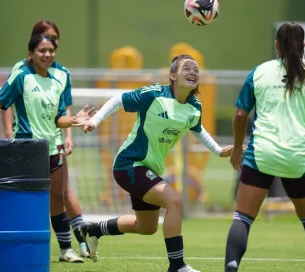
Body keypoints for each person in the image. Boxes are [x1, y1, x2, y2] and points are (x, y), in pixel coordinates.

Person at [76, 54, 233, 272]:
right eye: (186, 68)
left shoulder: (194, 107)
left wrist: (218, 150)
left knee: (146, 227)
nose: (193, 72)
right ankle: (177, 266)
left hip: (149, 169)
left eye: (196, 70)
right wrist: (94, 121)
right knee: (175, 201)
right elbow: (117, 100)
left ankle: (93, 230)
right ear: (172, 75)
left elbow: (198, 129)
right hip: (129, 164)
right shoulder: (155, 94)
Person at [224, 22, 305, 272]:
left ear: (276, 45)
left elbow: (239, 115)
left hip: (261, 155)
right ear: (303, 46)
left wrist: (237, 148)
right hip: (297, 158)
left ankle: (231, 266)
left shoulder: (260, 72)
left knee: (243, 218)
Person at [0, 34, 95, 263]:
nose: (48, 54)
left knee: (57, 199)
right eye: (42, 50)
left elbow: (59, 119)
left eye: (51, 50)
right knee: (22, 200)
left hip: (53, 148)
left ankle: (66, 250)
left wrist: (73, 120)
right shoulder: (22, 77)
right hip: (26, 149)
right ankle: (13, 247)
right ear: (31, 53)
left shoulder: (56, 81)